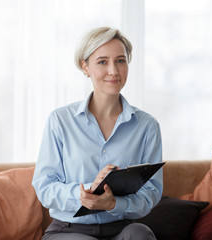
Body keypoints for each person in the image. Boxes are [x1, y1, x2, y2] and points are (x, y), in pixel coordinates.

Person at [32, 26, 163, 240]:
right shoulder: (60, 121)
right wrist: (83, 194)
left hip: (121, 227)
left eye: (121, 60)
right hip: (69, 230)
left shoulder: (147, 126)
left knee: (140, 234)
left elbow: (151, 192)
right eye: (102, 62)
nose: (114, 70)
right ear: (85, 67)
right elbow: (44, 187)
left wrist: (114, 203)